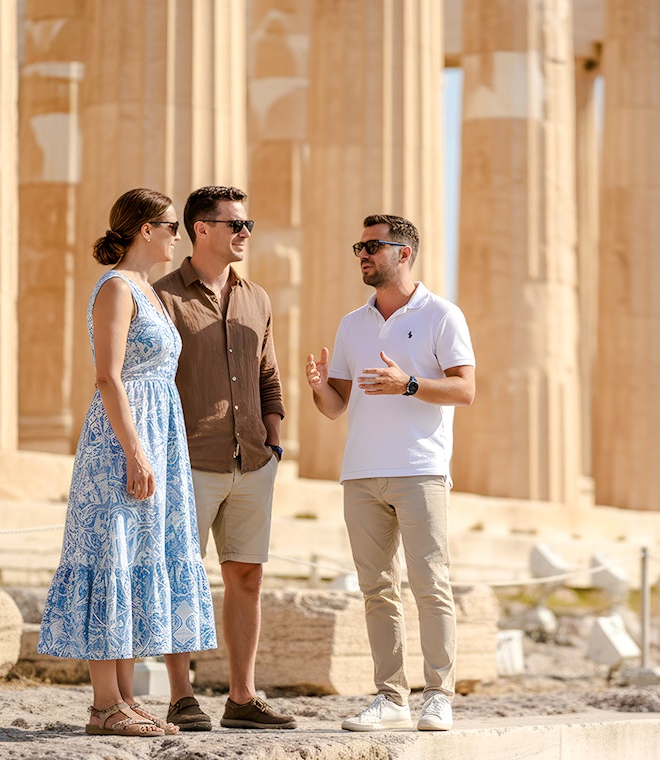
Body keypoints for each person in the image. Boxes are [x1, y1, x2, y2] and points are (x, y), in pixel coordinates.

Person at [37, 188, 217, 738]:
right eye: (170, 227)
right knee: (109, 556)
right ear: (145, 230)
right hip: (121, 440)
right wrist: (135, 452)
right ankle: (103, 705)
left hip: (157, 434)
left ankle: (121, 699)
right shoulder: (117, 288)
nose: (177, 236)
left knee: (135, 556)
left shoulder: (150, 292)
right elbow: (108, 375)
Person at [305, 214, 476, 732]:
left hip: (420, 470)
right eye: (359, 245)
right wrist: (317, 386)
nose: (362, 253)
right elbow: (336, 406)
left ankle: (439, 696)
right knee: (377, 590)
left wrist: (408, 384)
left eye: (373, 245)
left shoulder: (442, 315)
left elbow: (465, 390)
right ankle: (391, 697)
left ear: (404, 253)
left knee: (431, 585)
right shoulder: (352, 323)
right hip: (360, 473)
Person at [152, 185, 296, 731]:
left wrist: (274, 442)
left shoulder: (257, 297)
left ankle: (242, 697)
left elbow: (269, 377)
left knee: (248, 578)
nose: (244, 233)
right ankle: (181, 696)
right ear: (200, 229)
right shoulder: (162, 296)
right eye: (234, 223)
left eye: (248, 224)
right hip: (188, 459)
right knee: (180, 576)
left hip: (253, 460)